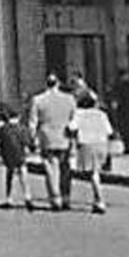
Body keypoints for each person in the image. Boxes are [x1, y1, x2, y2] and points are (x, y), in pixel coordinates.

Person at [28, 74, 77, 211]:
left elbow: (33, 122)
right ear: (58, 84)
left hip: (47, 137)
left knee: (51, 168)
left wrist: (32, 138)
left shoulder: (38, 100)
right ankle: (66, 196)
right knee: (65, 168)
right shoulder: (69, 99)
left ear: (46, 84)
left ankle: (55, 198)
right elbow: (74, 120)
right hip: (65, 137)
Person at [67, 90, 114, 214]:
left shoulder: (79, 114)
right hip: (101, 144)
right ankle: (96, 199)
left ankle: (99, 199)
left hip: (87, 144)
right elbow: (109, 131)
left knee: (93, 174)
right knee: (96, 172)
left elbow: (72, 127)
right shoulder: (102, 114)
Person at [0, 107, 34, 210]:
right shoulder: (22, 128)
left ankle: (9, 197)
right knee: (23, 174)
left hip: (8, 155)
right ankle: (27, 196)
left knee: (10, 175)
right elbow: (28, 142)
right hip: (20, 153)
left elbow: (0, 142)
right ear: (19, 117)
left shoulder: (4, 129)